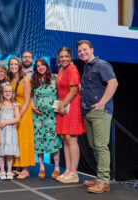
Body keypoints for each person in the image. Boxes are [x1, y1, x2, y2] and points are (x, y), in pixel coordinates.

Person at [77, 40, 118, 193]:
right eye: (80, 51)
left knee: (101, 146)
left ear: (92, 49)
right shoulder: (87, 68)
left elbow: (113, 83)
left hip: (100, 112)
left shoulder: (102, 64)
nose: (82, 53)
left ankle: (103, 182)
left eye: (85, 50)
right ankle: (100, 177)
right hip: (88, 112)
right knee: (94, 146)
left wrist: (102, 102)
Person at [55, 47, 85, 184]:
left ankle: (74, 173)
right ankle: (67, 170)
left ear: (71, 57)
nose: (64, 59)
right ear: (58, 58)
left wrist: (62, 105)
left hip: (71, 105)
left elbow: (73, 91)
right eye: (61, 57)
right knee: (64, 138)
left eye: (66, 56)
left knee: (71, 139)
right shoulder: (62, 69)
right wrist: (60, 105)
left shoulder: (72, 69)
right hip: (63, 105)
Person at [31, 58, 62, 179]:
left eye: (42, 65)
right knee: (39, 142)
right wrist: (33, 107)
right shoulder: (34, 80)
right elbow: (30, 96)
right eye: (38, 66)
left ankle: (57, 168)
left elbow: (63, 90)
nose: (40, 67)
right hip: (38, 117)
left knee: (53, 141)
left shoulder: (55, 78)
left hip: (52, 116)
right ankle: (42, 167)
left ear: (46, 66)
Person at [8, 57, 35, 179]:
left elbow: (27, 99)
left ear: (19, 65)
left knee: (23, 139)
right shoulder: (10, 79)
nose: (13, 66)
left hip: (23, 112)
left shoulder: (25, 80)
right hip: (14, 111)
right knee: (16, 139)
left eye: (15, 64)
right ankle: (17, 167)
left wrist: (19, 115)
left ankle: (25, 169)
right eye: (11, 64)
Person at [0, 84, 20, 180]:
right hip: (2, 131)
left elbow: (17, 118)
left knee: (10, 153)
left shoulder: (15, 104)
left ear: (12, 93)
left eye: (10, 91)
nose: (8, 93)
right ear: (2, 93)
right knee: (1, 153)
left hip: (11, 131)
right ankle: (2, 170)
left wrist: (5, 123)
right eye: (6, 91)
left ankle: (9, 170)